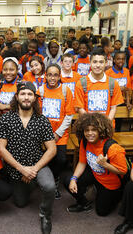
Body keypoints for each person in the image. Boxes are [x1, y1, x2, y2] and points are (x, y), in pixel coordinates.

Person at [0, 81, 56, 234]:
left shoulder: (42, 120)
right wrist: (22, 169)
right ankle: (30, 184)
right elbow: (1, 149)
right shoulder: (6, 119)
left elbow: (52, 149)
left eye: (30, 94)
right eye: (23, 94)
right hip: (16, 168)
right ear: (17, 97)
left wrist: (33, 170)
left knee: (49, 187)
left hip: (37, 165)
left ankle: (45, 214)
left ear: (35, 98)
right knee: (20, 203)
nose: (26, 97)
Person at [64, 113, 127, 216]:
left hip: (110, 183)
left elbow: (123, 171)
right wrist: (73, 179)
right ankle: (83, 203)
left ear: (101, 131)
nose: (89, 133)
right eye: (86, 130)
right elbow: (81, 162)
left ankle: (116, 195)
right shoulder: (84, 142)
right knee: (68, 180)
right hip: (94, 174)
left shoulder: (113, 148)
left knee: (102, 212)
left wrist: (105, 165)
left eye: (94, 130)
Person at [37, 64, 74, 200]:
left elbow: (69, 115)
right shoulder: (40, 91)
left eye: (55, 75)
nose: (52, 78)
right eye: (50, 74)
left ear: (59, 76)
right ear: (45, 76)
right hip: (43, 133)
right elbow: (36, 114)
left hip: (60, 134)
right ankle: (46, 183)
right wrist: (44, 133)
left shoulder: (65, 90)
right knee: (43, 158)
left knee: (60, 159)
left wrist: (57, 133)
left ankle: (55, 179)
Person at [74, 48, 124, 121]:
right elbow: (80, 108)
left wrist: (105, 124)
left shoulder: (113, 83)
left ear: (106, 63)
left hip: (107, 125)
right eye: (94, 62)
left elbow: (113, 108)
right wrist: (92, 124)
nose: (98, 65)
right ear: (90, 63)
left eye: (101, 62)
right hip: (88, 127)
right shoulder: (81, 83)